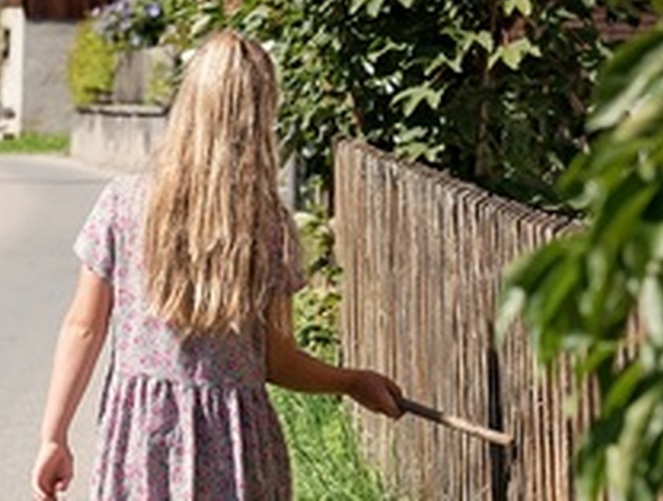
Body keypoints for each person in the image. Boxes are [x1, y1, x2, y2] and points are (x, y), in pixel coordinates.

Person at [31, 30, 403, 500]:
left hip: (144, 439)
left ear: (188, 104)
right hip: (235, 445)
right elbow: (277, 361)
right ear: (262, 114)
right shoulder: (268, 225)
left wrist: (54, 436)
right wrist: (349, 381)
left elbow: (84, 327)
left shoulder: (123, 204)